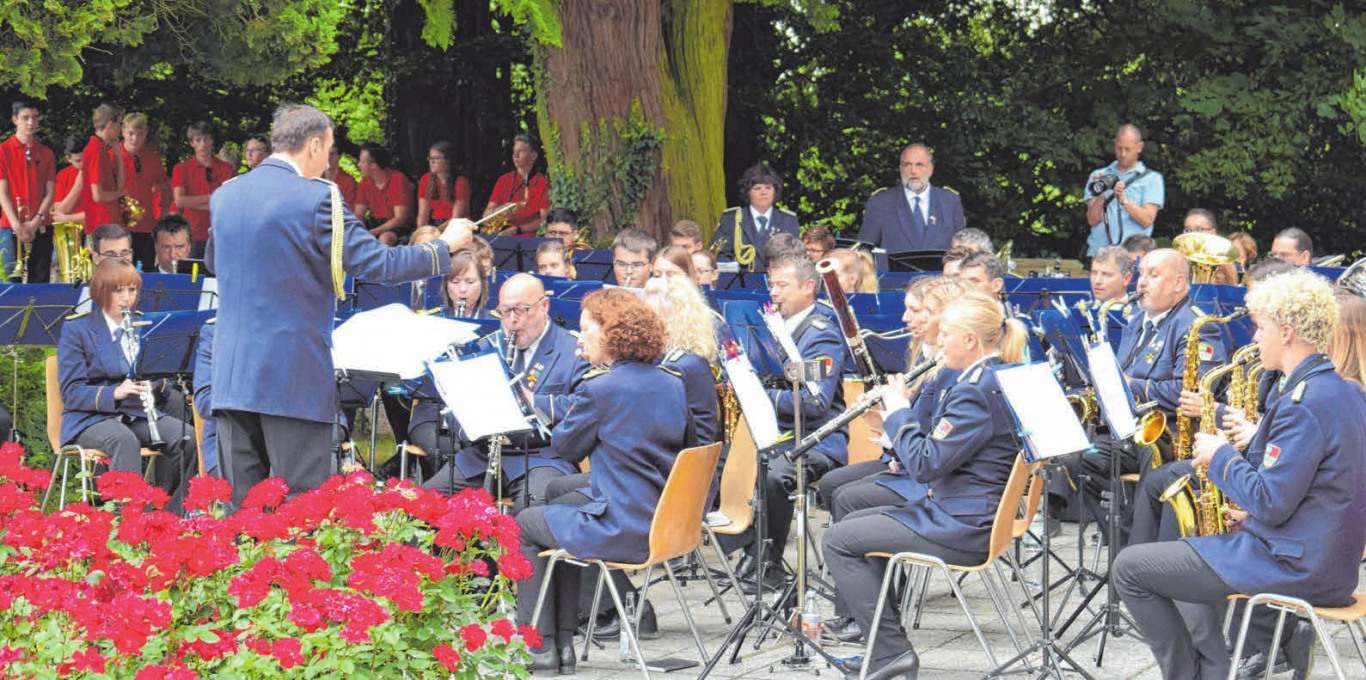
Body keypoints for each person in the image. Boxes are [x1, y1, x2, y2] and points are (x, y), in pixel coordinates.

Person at [205, 104, 471, 508]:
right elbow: (379, 263)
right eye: (329, 151)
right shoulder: (317, 198)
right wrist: (444, 246)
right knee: (298, 510)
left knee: (241, 511)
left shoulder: (226, 194)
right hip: (290, 375)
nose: (330, 164)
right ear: (313, 145)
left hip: (230, 377)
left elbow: (214, 261)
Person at [1114, 269, 1366, 680]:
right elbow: (1326, 489)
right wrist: (1249, 517)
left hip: (1295, 566)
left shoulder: (1304, 402)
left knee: (1130, 568)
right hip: (1323, 560)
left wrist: (1221, 456)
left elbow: (1271, 499)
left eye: (1260, 327)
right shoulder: (1344, 391)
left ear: (1286, 332)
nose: (1254, 338)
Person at [824, 291, 1027, 679]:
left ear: (970, 339)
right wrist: (888, 427)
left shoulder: (974, 392)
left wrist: (900, 409)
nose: (938, 340)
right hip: (965, 512)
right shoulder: (996, 376)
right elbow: (942, 450)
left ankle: (889, 652)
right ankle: (882, 646)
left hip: (961, 525)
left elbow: (925, 465)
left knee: (837, 539)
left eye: (946, 333)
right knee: (859, 521)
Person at [515, 288, 689, 674]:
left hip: (623, 527)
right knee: (559, 510)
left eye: (586, 328)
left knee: (526, 523)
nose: (580, 338)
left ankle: (539, 645)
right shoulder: (673, 382)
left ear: (611, 334)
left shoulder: (600, 389)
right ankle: (562, 645)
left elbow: (563, 447)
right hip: (662, 520)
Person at [1060, 248, 1227, 540]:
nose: (1141, 282)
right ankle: (1124, 540)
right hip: (1129, 433)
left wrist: (1126, 383)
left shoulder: (1198, 326)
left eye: (1153, 275)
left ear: (1178, 283)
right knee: (1075, 459)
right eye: (1141, 274)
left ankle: (1141, 545)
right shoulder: (1136, 320)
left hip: (1168, 437)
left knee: (1152, 460)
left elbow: (1189, 393)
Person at [733, 255, 848, 594]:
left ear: (809, 287)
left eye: (782, 285)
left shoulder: (822, 335)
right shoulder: (770, 327)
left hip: (817, 440)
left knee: (775, 471)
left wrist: (759, 393)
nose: (773, 292)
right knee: (718, 463)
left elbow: (814, 403)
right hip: (778, 434)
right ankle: (747, 547)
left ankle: (767, 561)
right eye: (771, 285)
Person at [421, 274, 587, 502]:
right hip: (483, 454)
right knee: (423, 504)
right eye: (505, 311)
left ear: (544, 306)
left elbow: (584, 406)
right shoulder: (486, 346)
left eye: (520, 310)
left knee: (532, 512)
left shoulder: (572, 349)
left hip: (542, 457)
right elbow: (459, 414)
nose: (511, 320)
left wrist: (532, 401)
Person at [56, 258, 195, 504]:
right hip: (90, 418)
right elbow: (71, 392)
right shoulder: (78, 329)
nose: (126, 298)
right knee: (123, 440)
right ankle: (128, 521)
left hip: (135, 414)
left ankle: (170, 512)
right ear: (101, 291)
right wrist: (114, 393)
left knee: (188, 440)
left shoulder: (143, 324)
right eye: (118, 290)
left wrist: (152, 384)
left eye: (132, 290)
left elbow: (164, 374)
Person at [858, 143, 966, 252]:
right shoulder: (881, 202)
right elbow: (864, 250)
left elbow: (962, 249)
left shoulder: (950, 201)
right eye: (907, 165)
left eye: (919, 165)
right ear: (900, 169)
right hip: (893, 269)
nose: (913, 171)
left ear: (930, 169)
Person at [1085, 124, 1165, 256]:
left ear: (1139, 147)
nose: (1122, 154)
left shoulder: (1152, 179)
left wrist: (1123, 199)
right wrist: (1102, 193)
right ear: (1114, 144)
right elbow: (1092, 220)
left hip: (1133, 256)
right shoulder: (1098, 175)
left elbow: (1147, 220)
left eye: (1127, 149)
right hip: (1099, 254)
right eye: (1119, 148)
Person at [1, 100, 56, 282]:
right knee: (10, 283)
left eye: (34, 118)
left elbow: (50, 191)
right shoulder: (3, 151)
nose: (31, 123)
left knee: (40, 282)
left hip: (40, 225)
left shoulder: (46, 153)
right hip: (10, 226)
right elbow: (2, 192)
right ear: (15, 120)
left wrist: (35, 222)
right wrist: (17, 225)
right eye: (25, 118)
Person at [709, 163, 800, 272]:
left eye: (768, 188)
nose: (763, 193)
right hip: (741, 285)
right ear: (748, 192)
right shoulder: (731, 219)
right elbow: (720, 254)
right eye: (757, 188)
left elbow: (796, 257)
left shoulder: (788, 220)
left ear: (775, 192)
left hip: (778, 283)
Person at [170, 121, 235, 247]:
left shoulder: (226, 169)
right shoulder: (182, 168)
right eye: (198, 140)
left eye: (206, 139)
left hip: (219, 234)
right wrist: (211, 198)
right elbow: (180, 201)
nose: (203, 144)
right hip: (190, 235)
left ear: (212, 140)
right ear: (191, 143)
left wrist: (194, 203)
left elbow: (227, 204)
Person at [120, 113, 170, 271]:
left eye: (140, 134)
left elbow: (164, 186)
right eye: (131, 133)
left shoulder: (152, 158)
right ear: (123, 131)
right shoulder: (111, 157)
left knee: (146, 276)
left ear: (146, 133)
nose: (135, 138)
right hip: (119, 228)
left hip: (146, 227)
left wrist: (163, 214)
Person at [484, 133, 550, 237]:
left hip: (530, 239)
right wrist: (499, 210)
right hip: (501, 236)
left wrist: (517, 230)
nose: (515, 156)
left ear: (534, 156)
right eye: (514, 151)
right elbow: (485, 216)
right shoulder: (503, 180)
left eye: (521, 151)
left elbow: (545, 220)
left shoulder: (543, 183)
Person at [354, 145, 415, 246]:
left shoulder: (398, 180)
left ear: (373, 165)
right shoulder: (364, 183)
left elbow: (400, 219)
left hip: (398, 227)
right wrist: (360, 233)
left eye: (362, 161)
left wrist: (372, 233)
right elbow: (358, 215)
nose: (359, 164)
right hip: (374, 223)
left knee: (385, 238)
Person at [82, 104, 127, 237]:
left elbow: (119, 185)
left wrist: (118, 155)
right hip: (101, 225)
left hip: (108, 223)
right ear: (109, 124)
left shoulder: (102, 149)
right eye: (120, 123)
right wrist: (120, 193)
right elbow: (98, 195)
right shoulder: (96, 150)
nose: (121, 128)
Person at [416, 141, 471, 228]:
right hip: (435, 224)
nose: (432, 161)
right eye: (430, 158)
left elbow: (456, 218)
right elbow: (422, 214)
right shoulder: (425, 179)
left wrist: (435, 233)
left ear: (448, 160)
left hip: (456, 225)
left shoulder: (460, 182)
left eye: (436, 158)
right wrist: (421, 232)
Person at [441, 250, 489, 318]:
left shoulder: (499, 321)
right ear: (446, 286)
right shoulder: (431, 320)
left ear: (482, 284)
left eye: (470, 282)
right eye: (455, 282)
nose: (462, 289)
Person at [52, 135, 88, 228]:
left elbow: (101, 213)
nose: (84, 164)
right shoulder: (63, 175)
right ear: (68, 159)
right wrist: (78, 186)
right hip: (70, 232)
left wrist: (66, 218)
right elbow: (59, 211)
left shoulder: (102, 172)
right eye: (78, 161)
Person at [325, 143, 358, 211]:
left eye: (332, 154)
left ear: (339, 156)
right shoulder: (313, 180)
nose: (328, 158)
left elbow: (349, 212)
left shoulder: (348, 182)